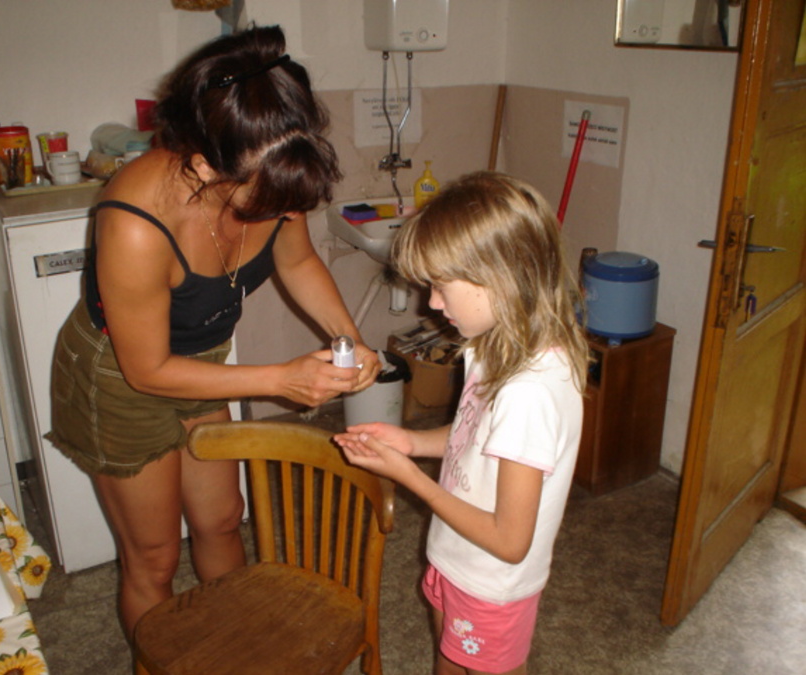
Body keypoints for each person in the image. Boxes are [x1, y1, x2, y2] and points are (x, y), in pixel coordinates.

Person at [46, 25, 380, 640]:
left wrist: (348, 337)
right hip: (118, 377)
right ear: (202, 165)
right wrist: (280, 380)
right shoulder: (137, 220)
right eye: (270, 199)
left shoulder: (270, 165)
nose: (287, 212)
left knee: (223, 518)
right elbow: (147, 370)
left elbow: (298, 260)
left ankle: (234, 647)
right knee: (154, 556)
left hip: (200, 359)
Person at [335, 172, 588, 675]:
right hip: (455, 558)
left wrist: (410, 478)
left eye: (440, 286)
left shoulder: (530, 393)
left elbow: (510, 541)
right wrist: (409, 443)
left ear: (500, 277)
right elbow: (475, 435)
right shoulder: (491, 348)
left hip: (490, 586)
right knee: (447, 662)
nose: (431, 302)